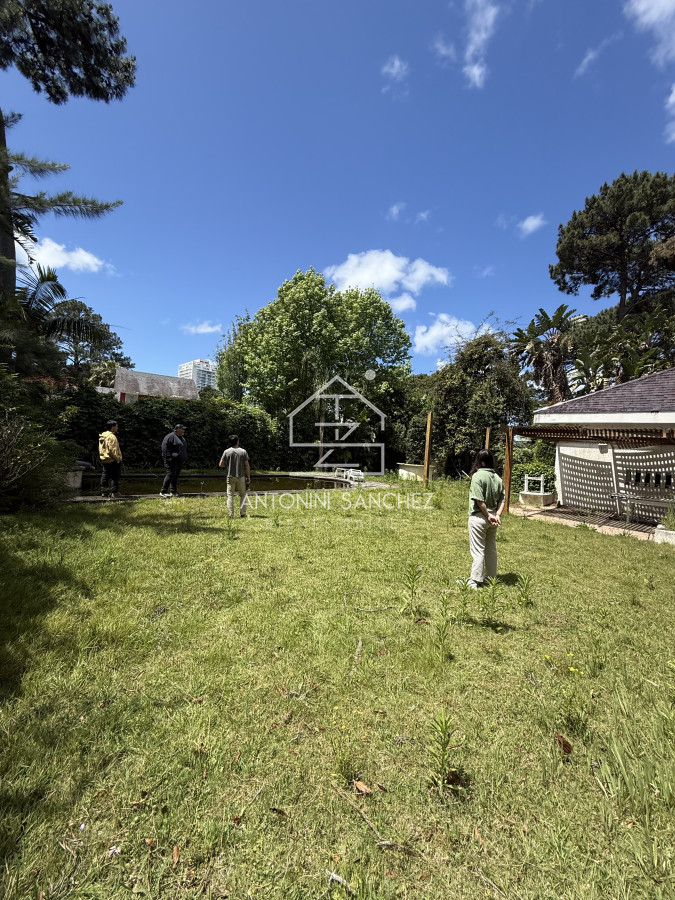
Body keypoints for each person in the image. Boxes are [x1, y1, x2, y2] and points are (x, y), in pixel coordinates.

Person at [467, 448, 505, 588]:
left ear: (479, 460)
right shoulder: (498, 478)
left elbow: (479, 500)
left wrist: (488, 515)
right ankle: (491, 578)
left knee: (478, 550)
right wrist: (497, 515)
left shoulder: (477, 476)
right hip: (493, 519)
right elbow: (503, 499)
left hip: (479, 518)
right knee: (491, 549)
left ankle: (474, 581)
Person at [219, 434, 250, 518]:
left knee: (230, 496)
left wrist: (228, 465)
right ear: (237, 441)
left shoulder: (226, 451)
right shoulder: (243, 451)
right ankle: (243, 513)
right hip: (240, 477)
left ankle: (231, 514)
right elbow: (247, 465)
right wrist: (248, 477)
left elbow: (220, 464)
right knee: (243, 495)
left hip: (230, 476)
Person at [160, 424, 188, 497]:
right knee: (171, 474)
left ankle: (173, 491)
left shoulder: (181, 437)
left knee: (175, 475)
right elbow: (164, 447)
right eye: (182, 429)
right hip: (171, 460)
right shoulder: (170, 436)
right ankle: (163, 491)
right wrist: (168, 457)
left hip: (179, 461)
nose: (184, 430)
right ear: (177, 429)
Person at [99, 420, 123, 499]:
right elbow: (113, 450)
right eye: (116, 426)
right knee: (115, 476)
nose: (117, 428)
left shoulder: (103, 435)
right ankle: (115, 492)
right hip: (112, 459)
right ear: (112, 427)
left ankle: (104, 492)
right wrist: (118, 459)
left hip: (104, 458)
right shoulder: (112, 437)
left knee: (105, 475)